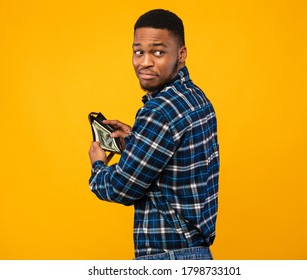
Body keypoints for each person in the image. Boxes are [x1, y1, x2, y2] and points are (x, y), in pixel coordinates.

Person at [88, 9, 219, 260]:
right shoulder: (196, 98)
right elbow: (172, 169)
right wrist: (136, 141)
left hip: (168, 257)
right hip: (196, 253)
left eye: (158, 52)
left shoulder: (159, 111)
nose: (145, 62)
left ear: (181, 55)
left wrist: (98, 164)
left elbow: (121, 189)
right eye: (139, 51)